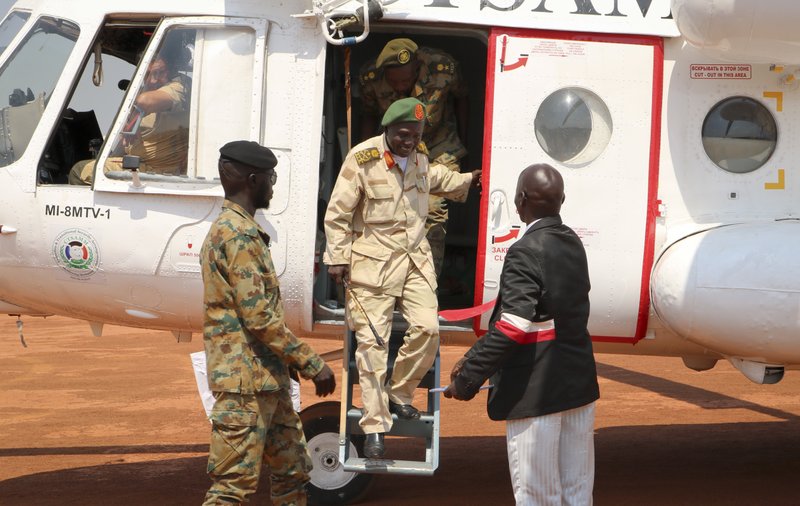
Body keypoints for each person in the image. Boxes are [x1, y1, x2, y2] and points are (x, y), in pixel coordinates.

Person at [324, 97, 480, 458]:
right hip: (372, 264)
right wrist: (337, 258)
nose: (409, 141)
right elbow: (337, 213)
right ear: (388, 129)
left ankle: (398, 394)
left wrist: (471, 180)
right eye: (403, 134)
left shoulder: (422, 159)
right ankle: (376, 426)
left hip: (414, 261)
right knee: (373, 346)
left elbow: (442, 179)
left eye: (416, 135)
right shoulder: (363, 159)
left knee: (428, 329)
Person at [444, 164, 599, 506]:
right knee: (577, 493)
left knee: (538, 496)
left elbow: (514, 326)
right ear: (562, 200)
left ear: (520, 200)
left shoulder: (525, 250)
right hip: (578, 386)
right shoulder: (573, 242)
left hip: (536, 393)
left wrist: (468, 378)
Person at [201, 140, 336, 506]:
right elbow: (258, 316)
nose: (274, 185)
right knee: (232, 487)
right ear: (253, 178)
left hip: (267, 380)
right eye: (271, 177)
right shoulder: (237, 234)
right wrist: (310, 362)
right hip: (244, 385)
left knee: (293, 471)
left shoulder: (244, 230)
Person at [359, 38, 469, 277]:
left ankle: (427, 278)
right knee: (390, 205)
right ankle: (391, 277)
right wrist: (360, 157)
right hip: (395, 146)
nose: (400, 87)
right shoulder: (370, 79)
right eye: (394, 82)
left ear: (418, 66)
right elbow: (367, 115)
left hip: (439, 144)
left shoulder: (443, 68)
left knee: (433, 207)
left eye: (406, 81)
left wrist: (465, 143)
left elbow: (463, 97)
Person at [68, 49, 190, 185]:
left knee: (79, 171)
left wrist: (134, 114)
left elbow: (145, 102)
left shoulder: (179, 87)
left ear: (171, 69)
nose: (153, 80)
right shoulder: (151, 91)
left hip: (158, 170)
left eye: (159, 73)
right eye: (147, 74)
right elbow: (125, 141)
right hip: (143, 164)